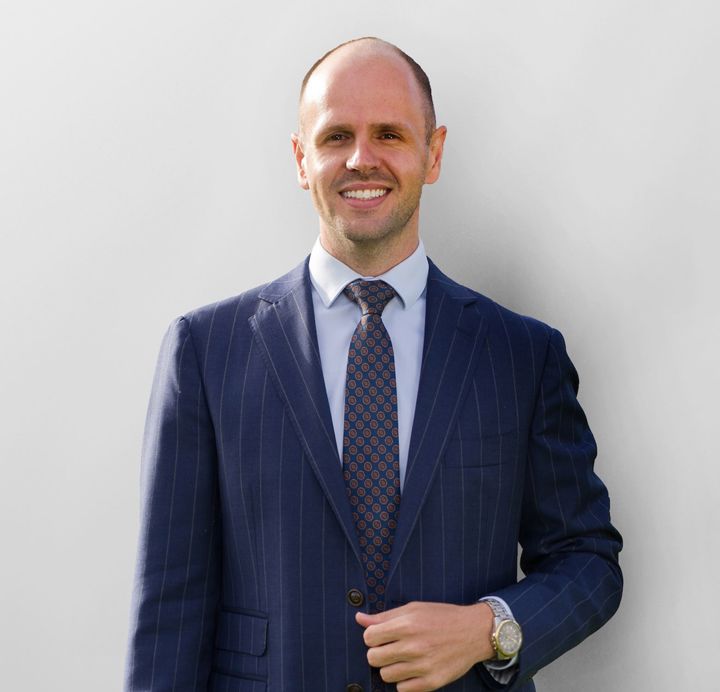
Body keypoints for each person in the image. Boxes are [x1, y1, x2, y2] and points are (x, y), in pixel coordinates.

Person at [125, 37, 622, 692]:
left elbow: (588, 560)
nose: (363, 158)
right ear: (301, 160)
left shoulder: (521, 356)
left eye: (389, 134)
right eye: (336, 137)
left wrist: (487, 628)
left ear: (433, 153)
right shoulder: (205, 351)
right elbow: (169, 610)